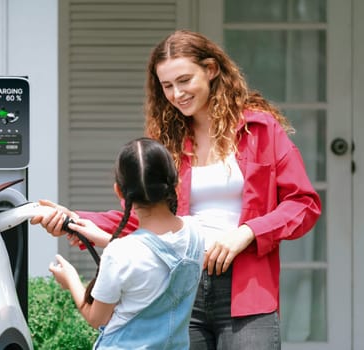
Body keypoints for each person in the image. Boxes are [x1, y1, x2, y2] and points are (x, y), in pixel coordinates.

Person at [33, 29, 321, 349]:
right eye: (167, 85)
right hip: (182, 290)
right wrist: (75, 219)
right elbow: (150, 216)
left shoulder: (260, 130)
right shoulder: (168, 140)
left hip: (248, 291)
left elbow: (304, 204)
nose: (176, 93)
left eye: (184, 80)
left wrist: (247, 232)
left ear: (211, 70)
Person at [47, 137, 205, 349]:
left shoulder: (121, 253)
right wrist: (106, 240)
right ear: (175, 183)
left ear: (119, 192)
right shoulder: (195, 233)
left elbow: (97, 318)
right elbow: (158, 254)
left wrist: (71, 280)